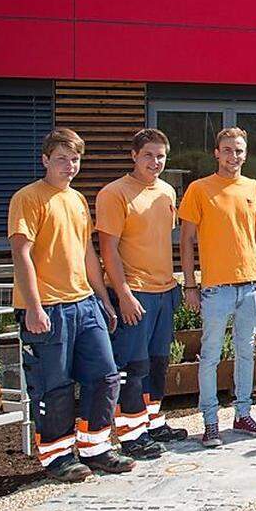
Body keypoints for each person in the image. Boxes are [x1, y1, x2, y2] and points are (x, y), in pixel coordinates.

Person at [9, 128, 134, 482]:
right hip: (47, 308)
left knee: (106, 376)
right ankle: (57, 457)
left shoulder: (78, 200)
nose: (70, 165)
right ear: (45, 160)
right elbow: (21, 254)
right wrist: (33, 307)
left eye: (75, 159)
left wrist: (103, 299)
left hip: (84, 303)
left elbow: (86, 253)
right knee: (55, 386)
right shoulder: (28, 198)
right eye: (62, 158)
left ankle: (95, 448)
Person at [96, 129, 187, 461]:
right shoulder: (114, 193)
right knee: (133, 365)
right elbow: (108, 248)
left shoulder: (166, 191)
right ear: (134, 155)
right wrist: (122, 294)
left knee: (158, 363)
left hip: (164, 291)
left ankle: (150, 421)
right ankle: (131, 434)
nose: (155, 162)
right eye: (148, 155)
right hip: (134, 292)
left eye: (161, 155)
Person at [178, 127, 256, 447]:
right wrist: (190, 285)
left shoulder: (255, 188)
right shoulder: (199, 189)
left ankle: (243, 415)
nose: (234, 156)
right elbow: (187, 240)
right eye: (228, 150)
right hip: (216, 287)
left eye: (239, 150)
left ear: (246, 154)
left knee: (247, 352)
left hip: (250, 285)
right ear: (216, 153)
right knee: (211, 355)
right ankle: (210, 422)